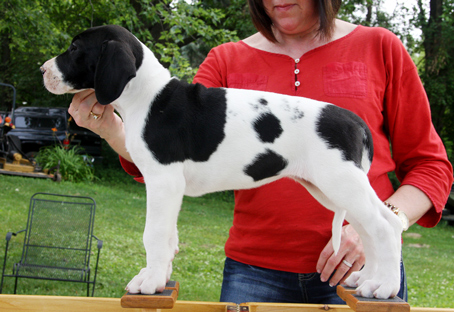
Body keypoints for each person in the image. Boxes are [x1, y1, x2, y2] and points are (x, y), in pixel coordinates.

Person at [68, 0, 453, 305]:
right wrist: (112, 128)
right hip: (253, 272)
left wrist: (386, 221)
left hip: (359, 271)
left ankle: (381, 257)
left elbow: (431, 166)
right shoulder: (224, 59)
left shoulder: (381, 47)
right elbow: (167, 158)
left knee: (363, 207)